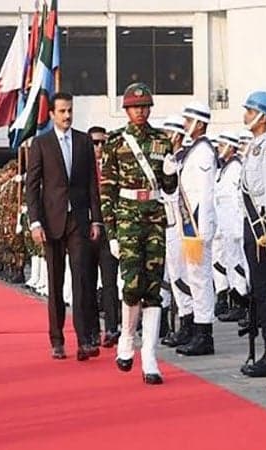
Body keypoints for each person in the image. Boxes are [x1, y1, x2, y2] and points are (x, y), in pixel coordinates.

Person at [100, 82, 178, 384]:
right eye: (135, 107)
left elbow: (168, 189)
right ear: (127, 110)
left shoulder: (162, 140)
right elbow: (106, 190)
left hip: (155, 217)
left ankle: (149, 356)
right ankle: (127, 339)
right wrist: (112, 233)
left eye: (145, 106)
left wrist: (170, 173)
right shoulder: (116, 142)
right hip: (128, 218)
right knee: (131, 284)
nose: (140, 112)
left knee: (153, 288)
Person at [26, 92, 103, 361]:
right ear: (52, 115)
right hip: (51, 221)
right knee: (55, 281)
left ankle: (84, 340)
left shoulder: (83, 142)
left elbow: (92, 184)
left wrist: (96, 219)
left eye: (70, 110)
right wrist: (35, 222)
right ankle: (57, 339)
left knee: (81, 280)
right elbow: (32, 187)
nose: (67, 116)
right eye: (62, 111)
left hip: (78, 220)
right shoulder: (42, 143)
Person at [238, 91, 266, 378]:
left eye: (250, 109)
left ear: (263, 116)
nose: (245, 114)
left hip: (262, 230)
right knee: (258, 289)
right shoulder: (254, 146)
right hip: (250, 226)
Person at [173, 101, 217, 357]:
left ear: (199, 123)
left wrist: (200, 231)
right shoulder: (194, 151)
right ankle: (197, 328)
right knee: (194, 278)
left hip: (198, 227)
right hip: (190, 226)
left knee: (200, 280)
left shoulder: (203, 153)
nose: (185, 125)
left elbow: (204, 195)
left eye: (189, 121)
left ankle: (204, 333)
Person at [158, 115, 195, 349]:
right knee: (172, 275)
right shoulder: (169, 159)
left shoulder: (182, 159)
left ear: (176, 136)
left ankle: (189, 322)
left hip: (181, 225)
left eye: (167, 135)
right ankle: (182, 322)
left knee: (183, 276)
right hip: (168, 223)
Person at [86, 125, 121, 347]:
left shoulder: (115, 168)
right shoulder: (80, 169)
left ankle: (111, 328)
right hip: (87, 232)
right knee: (87, 283)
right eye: (95, 143)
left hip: (109, 232)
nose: (99, 147)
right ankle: (91, 330)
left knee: (110, 282)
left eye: (102, 143)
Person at [213, 131, 249, 323]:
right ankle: (236, 301)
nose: (219, 148)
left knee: (239, 266)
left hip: (234, 226)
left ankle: (242, 303)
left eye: (222, 144)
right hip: (225, 225)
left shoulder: (235, 168)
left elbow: (237, 199)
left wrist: (237, 227)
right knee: (230, 263)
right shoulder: (224, 169)